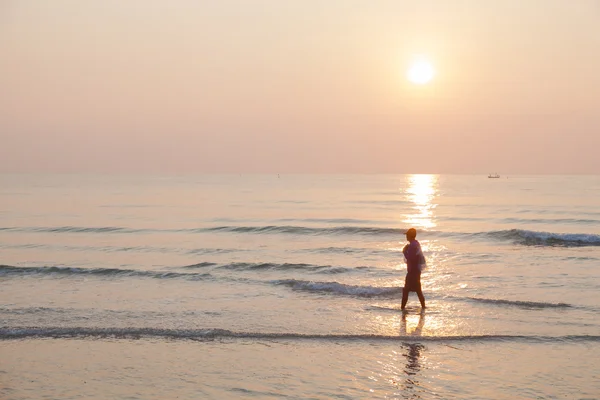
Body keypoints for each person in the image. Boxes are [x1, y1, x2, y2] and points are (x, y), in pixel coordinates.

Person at [401, 228, 426, 310]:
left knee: (406, 290)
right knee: (418, 290)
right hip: (416, 271)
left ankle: (402, 309)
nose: (406, 237)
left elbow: (410, 258)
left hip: (412, 272)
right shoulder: (416, 243)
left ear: (409, 236)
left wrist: (404, 251)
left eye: (407, 235)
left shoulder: (412, 245)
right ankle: (423, 307)